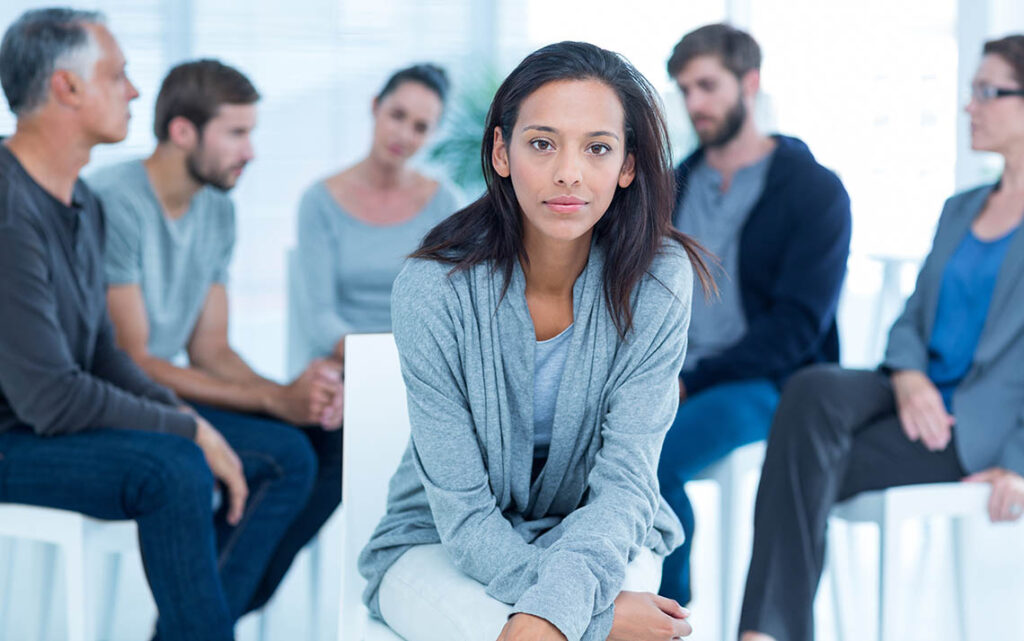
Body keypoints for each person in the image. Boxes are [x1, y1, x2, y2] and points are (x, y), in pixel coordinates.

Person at [358, 41, 713, 641]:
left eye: (597, 148)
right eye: (542, 143)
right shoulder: (432, 288)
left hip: (605, 535)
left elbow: (627, 484)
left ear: (627, 165)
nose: (568, 172)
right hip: (438, 542)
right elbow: (464, 515)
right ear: (502, 151)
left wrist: (561, 603)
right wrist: (586, 616)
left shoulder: (659, 280)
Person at [0, 9, 315, 639]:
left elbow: (101, 353)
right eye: (118, 76)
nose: (136, 92)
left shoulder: (78, 201)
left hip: (46, 425)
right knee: (172, 466)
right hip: (15, 436)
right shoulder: (9, 210)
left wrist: (191, 420)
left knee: (256, 451)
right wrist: (186, 430)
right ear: (66, 88)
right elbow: (52, 397)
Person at [738, 34, 1024, 641]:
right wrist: (910, 375)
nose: (969, 106)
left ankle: (762, 635)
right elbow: (912, 316)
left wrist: (1018, 465)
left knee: (798, 465)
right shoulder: (961, 208)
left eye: (987, 92)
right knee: (812, 388)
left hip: (971, 429)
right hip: (908, 391)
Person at [87, 59, 340, 615]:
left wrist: (294, 393)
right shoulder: (114, 200)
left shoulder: (218, 211)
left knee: (330, 442)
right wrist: (275, 400)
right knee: (285, 457)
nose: (249, 152)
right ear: (182, 131)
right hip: (117, 395)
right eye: (236, 133)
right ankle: (200, 625)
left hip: (164, 387)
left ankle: (205, 620)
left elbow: (211, 350)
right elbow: (133, 360)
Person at [655, 23, 852, 604]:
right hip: (673, 376)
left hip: (765, 385)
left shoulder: (814, 191)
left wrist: (693, 381)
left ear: (750, 82)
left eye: (708, 86)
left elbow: (797, 328)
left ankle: (666, 614)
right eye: (685, 90)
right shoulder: (673, 186)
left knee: (651, 462)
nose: (695, 104)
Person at [295, 63, 461, 369]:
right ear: (375, 107)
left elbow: (451, 308)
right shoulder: (319, 201)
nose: (403, 134)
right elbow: (319, 315)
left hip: (421, 367)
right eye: (397, 115)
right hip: (342, 364)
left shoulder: (445, 203)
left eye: (420, 127)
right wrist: (372, 361)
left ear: (432, 134)